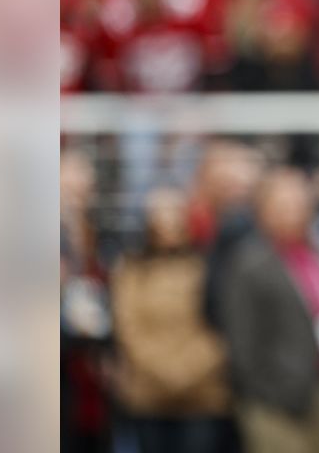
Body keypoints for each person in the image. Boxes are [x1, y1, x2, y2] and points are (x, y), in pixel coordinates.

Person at [220, 167, 319, 453]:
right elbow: (242, 343)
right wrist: (269, 393)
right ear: (262, 211)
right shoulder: (249, 264)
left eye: (300, 203)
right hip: (278, 404)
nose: (294, 212)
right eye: (283, 205)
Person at [111, 187, 233, 453]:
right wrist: (164, 372)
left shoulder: (207, 267)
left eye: (175, 217)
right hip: (150, 394)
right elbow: (129, 328)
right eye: (159, 218)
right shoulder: (132, 271)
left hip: (202, 394)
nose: (168, 226)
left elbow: (223, 325)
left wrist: (188, 370)